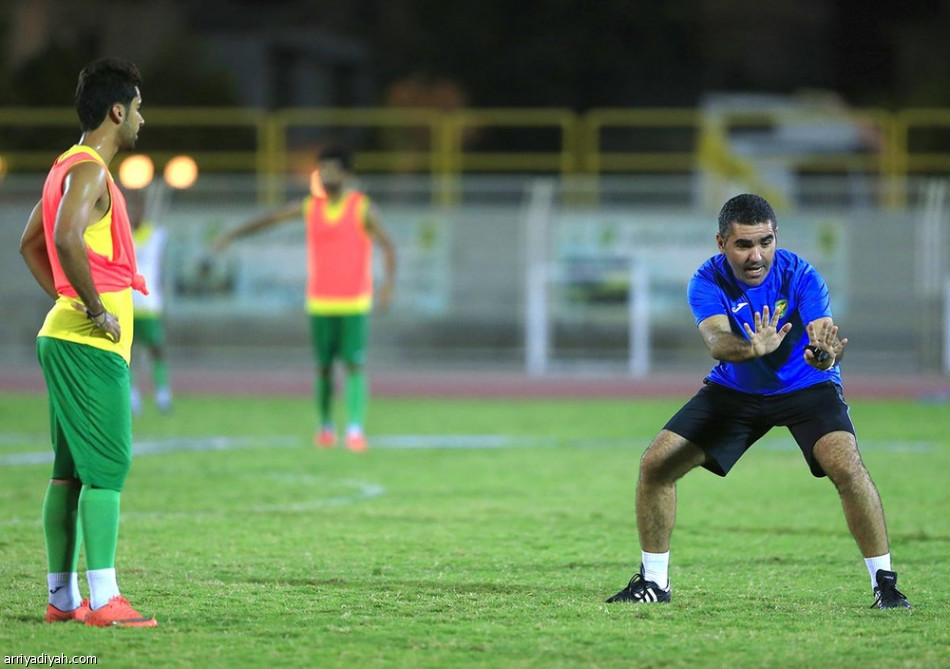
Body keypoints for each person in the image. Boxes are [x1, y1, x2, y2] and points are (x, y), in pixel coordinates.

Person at [605, 193, 911, 610]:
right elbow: (716, 341)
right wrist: (753, 348)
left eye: (764, 242)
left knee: (846, 465)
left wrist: (825, 355)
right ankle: (654, 583)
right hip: (736, 391)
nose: (756, 255)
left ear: (775, 238)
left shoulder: (801, 274)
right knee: (656, 465)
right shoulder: (707, 281)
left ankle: (886, 585)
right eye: (743, 245)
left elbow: (825, 334)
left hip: (806, 387)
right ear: (721, 243)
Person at [18, 57, 158, 627]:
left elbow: (30, 244)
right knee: (108, 470)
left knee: (69, 473)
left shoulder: (65, 167)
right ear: (117, 110)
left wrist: (65, 300)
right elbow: (62, 238)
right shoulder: (92, 171)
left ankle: (62, 597)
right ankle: (103, 600)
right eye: (139, 108)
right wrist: (93, 309)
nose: (143, 120)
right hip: (88, 345)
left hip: (68, 338)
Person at [216, 144, 397, 452]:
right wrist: (233, 234)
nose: (326, 175)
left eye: (332, 170)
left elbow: (388, 246)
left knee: (354, 365)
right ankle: (325, 426)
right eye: (322, 169)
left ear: (347, 174)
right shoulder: (310, 207)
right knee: (324, 367)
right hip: (320, 301)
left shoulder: (362, 207)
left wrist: (388, 285)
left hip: (354, 301)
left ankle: (354, 429)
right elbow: (270, 220)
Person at [127, 187, 173, 415]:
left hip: (150, 305)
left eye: (139, 208)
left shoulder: (156, 235)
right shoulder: (122, 237)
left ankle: (162, 393)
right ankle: (132, 395)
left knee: (157, 349)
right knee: (129, 353)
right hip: (127, 304)